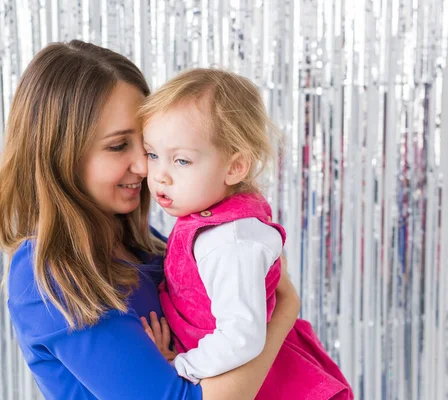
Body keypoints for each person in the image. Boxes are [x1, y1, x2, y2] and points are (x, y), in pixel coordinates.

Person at [0, 40, 301, 400]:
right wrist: (282, 315)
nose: (145, 167)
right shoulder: (49, 274)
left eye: (147, 145)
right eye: (119, 146)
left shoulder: (145, 244)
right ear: (60, 156)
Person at [139, 68, 354, 399]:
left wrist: (182, 366)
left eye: (181, 160)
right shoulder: (209, 217)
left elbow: (241, 337)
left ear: (234, 167)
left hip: (268, 386)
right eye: (153, 154)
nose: (160, 176)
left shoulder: (229, 241)